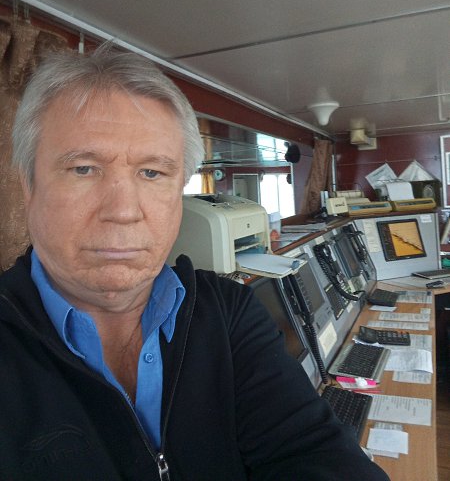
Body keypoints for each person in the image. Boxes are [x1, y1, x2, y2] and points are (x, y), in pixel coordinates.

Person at [0, 46, 390, 480]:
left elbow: (314, 452)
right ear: (28, 186)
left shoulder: (228, 311)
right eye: (84, 168)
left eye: (152, 173)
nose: (123, 210)